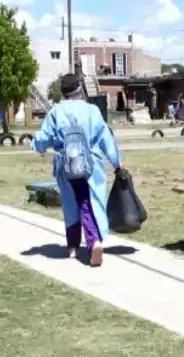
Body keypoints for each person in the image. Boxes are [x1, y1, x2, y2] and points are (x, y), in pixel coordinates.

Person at [31, 73, 127, 267]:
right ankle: (95, 241)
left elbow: (44, 137)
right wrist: (117, 161)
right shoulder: (92, 110)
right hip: (90, 164)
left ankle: (73, 247)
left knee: (70, 205)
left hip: (65, 163)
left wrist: (38, 146)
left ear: (63, 92)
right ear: (79, 89)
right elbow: (105, 137)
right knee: (89, 202)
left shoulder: (56, 112)